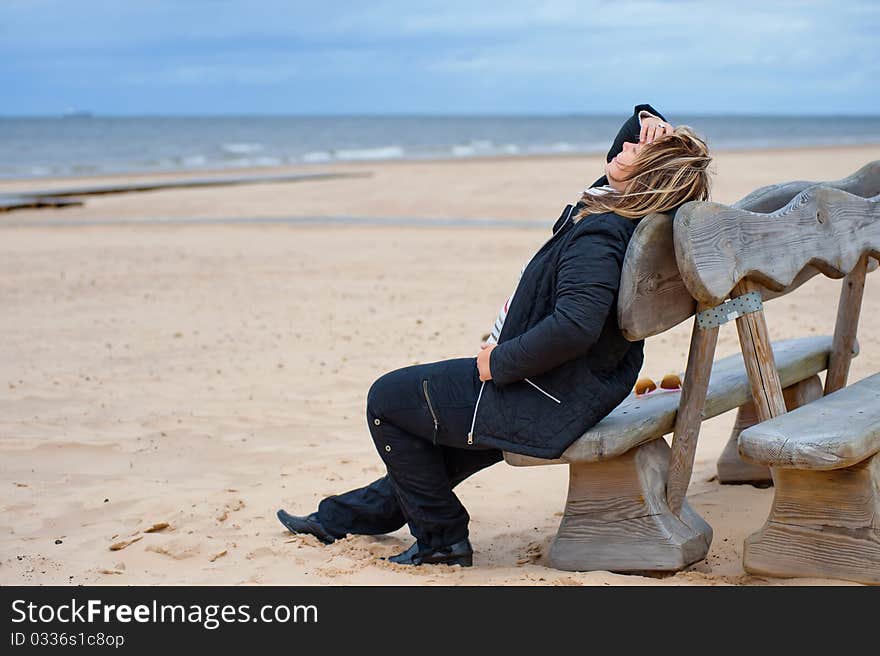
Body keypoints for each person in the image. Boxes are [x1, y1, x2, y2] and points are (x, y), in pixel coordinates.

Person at [277, 104, 713, 567]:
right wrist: (648, 119)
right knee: (442, 440)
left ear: (646, 174)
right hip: (579, 387)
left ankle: (442, 540)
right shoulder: (626, 212)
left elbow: (575, 325)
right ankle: (342, 517)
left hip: (540, 392)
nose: (625, 144)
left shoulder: (600, 234)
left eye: (637, 146)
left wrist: (499, 362)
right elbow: (625, 153)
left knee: (388, 400)